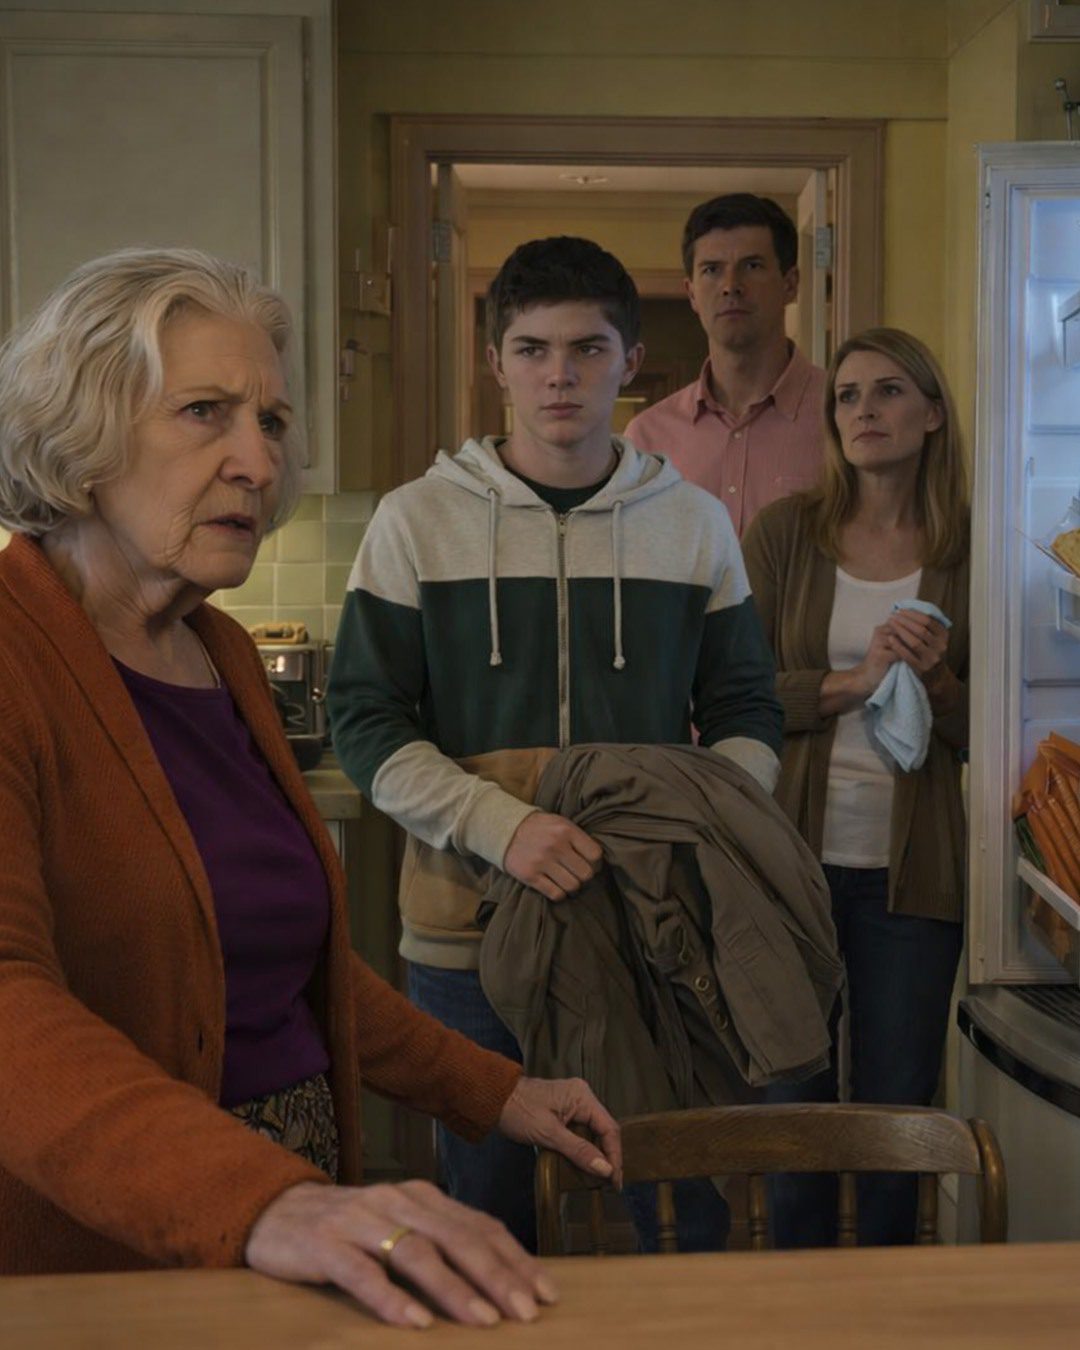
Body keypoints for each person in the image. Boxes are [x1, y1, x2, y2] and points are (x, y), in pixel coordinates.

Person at [0, 246, 623, 1329]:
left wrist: (497, 1093)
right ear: (79, 432)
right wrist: (266, 1201)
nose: (258, 460)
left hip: (287, 1227)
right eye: (205, 412)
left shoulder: (222, 655)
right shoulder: (15, 659)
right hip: (125, 1249)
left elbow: (294, 968)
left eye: (273, 421)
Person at [328, 235, 784, 1252]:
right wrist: (502, 826)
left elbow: (747, 711)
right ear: (495, 361)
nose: (559, 376)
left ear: (631, 362)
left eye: (587, 349)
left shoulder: (693, 525)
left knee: (676, 1201)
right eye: (533, 349)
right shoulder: (415, 522)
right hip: (467, 926)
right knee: (486, 1213)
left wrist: (694, 831)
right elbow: (366, 719)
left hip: (649, 924)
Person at [740, 327, 969, 1246]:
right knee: (790, 1102)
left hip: (913, 876)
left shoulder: (968, 545)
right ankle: (794, 1299)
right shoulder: (785, 534)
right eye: (847, 396)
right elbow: (736, 694)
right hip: (788, 865)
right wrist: (854, 682)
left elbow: (992, 729)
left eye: (887, 391)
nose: (864, 411)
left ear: (933, 414)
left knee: (895, 1109)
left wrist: (940, 686)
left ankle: (885, 1298)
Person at [625, 193, 824, 536]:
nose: (731, 286)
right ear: (691, 293)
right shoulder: (648, 438)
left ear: (790, 284)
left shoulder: (841, 416)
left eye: (752, 266)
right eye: (712, 270)